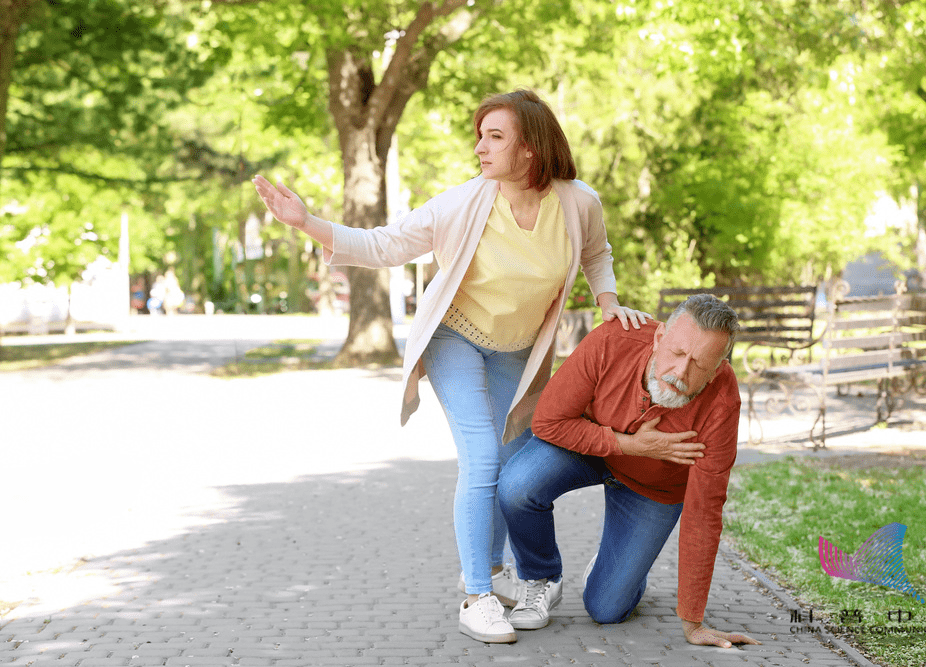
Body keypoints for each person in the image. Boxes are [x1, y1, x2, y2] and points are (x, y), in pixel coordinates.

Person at [252, 89, 651, 643]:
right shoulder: (464, 201)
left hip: (518, 348)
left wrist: (608, 301)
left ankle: (497, 571)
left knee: (513, 467)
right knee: (482, 457)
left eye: (495, 137)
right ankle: (476, 595)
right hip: (453, 338)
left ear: (531, 148)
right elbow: (384, 245)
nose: (479, 148)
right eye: (479, 135)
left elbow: (596, 253)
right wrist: (305, 221)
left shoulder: (578, 202)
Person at [498, 294, 762, 649]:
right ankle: (541, 577)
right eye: (678, 353)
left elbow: (705, 511)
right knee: (517, 484)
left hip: (653, 486)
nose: (680, 373)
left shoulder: (723, 401)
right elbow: (547, 421)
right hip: (586, 448)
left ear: (717, 370)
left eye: (699, 365)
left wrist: (693, 621)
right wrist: (628, 444)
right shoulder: (612, 339)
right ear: (659, 337)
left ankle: (617, 563)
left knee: (607, 609)